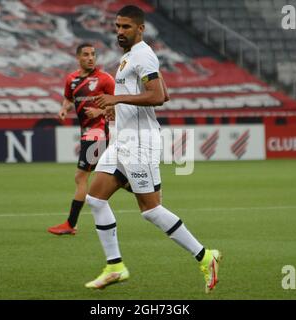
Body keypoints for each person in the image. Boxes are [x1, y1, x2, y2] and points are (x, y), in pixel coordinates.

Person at [84, 5, 222, 293]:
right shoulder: (128, 58)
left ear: (140, 28)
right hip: (122, 142)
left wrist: (117, 99)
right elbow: (165, 92)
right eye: (118, 26)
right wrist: (115, 108)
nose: (120, 31)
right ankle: (115, 266)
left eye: (126, 27)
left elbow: (158, 97)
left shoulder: (143, 54)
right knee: (95, 199)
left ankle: (205, 256)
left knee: (150, 210)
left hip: (139, 144)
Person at [47, 43, 115, 236]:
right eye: (86, 55)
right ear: (78, 57)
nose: (91, 58)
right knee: (110, 175)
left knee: (81, 177)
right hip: (88, 132)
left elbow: (120, 105)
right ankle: (144, 191)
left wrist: (100, 111)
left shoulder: (105, 79)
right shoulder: (72, 79)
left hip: (99, 132)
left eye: (93, 54)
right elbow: (69, 99)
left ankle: (70, 224)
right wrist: (64, 108)